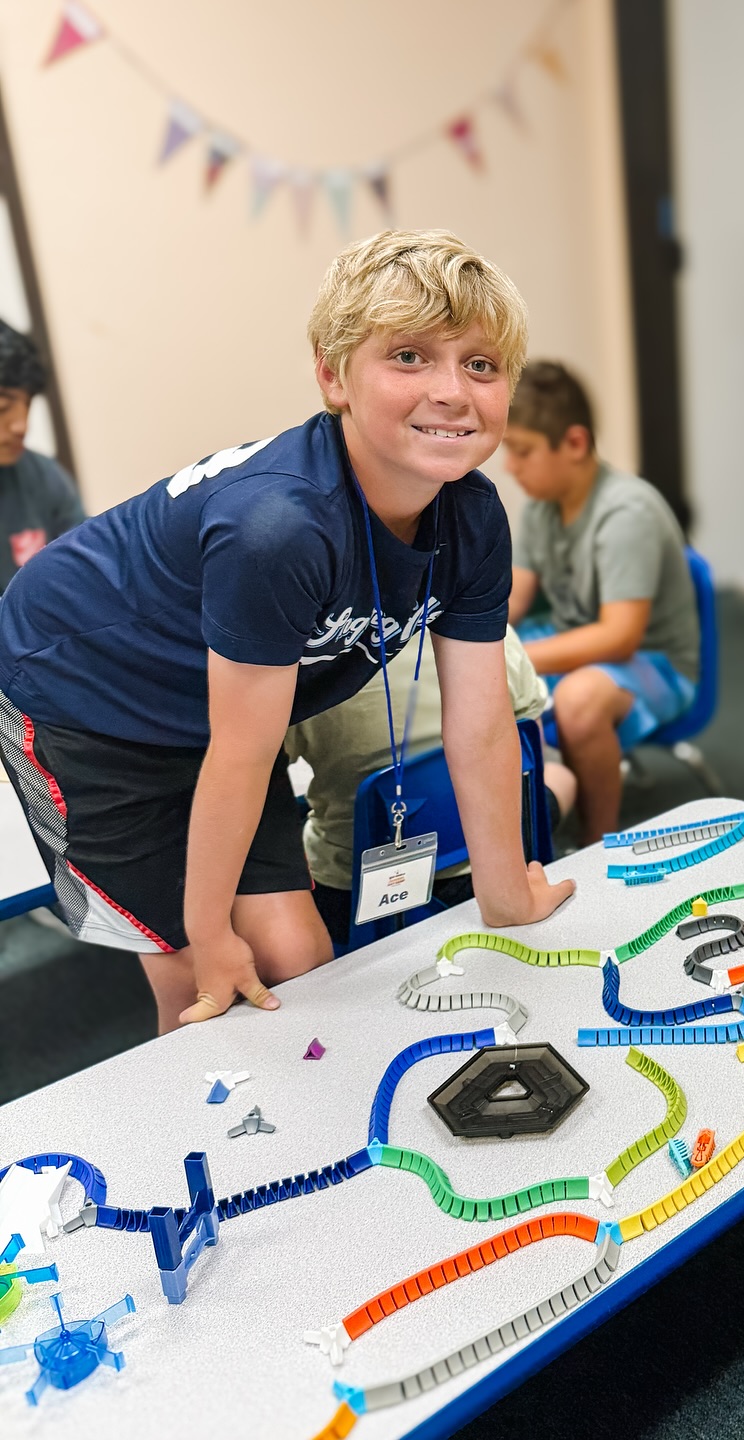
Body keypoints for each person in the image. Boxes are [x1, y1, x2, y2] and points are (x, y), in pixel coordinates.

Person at [0, 229, 573, 1033]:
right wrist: (209, 934)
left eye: (480, 365)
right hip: (85, 697)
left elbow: (480, 723)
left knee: (297, 959)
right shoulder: (279, 528)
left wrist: (504, 892)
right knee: (202, 990)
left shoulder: (474, 516)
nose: (452, 391)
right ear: (333, 375)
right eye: (409, 357)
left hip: (216, 708)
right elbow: (240, 752)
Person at [285, 626, 578, 950]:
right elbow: (529, 748)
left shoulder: (301, 662)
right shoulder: (491, 630)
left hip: (358, 895)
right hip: (503, 866)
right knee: (559, 775)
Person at [505, 361, 699, 844]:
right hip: (577, 639)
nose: (510, 466)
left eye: (522, 451)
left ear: (574, 443)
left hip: (654, 661)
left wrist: (511, 659)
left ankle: (597, 843)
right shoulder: (541, 505)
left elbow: (619, 638)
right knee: (467, 670)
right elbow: (510, 600)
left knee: (578, 699)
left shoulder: (626, 512)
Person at [0, 320, 84, 593]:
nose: (21, 425)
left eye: (26, 404)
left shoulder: (42, 475)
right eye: (3, 407)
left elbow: (85, 568)